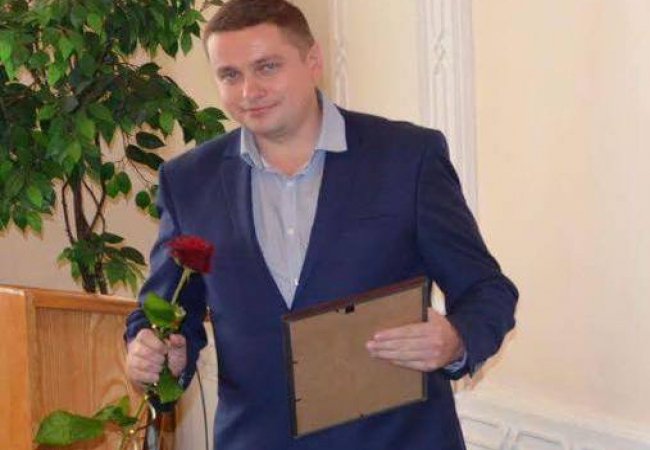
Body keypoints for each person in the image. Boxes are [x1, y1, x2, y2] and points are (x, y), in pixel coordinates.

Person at [125, 0, 518, 449]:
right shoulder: (189, 181)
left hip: (397, 439)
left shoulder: (408, 157)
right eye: (230, 75)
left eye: (267, 67)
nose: (249, 91)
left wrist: (456, 340)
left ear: (313, 61)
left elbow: (488, 291)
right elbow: (163, 311)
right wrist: (159, 355)